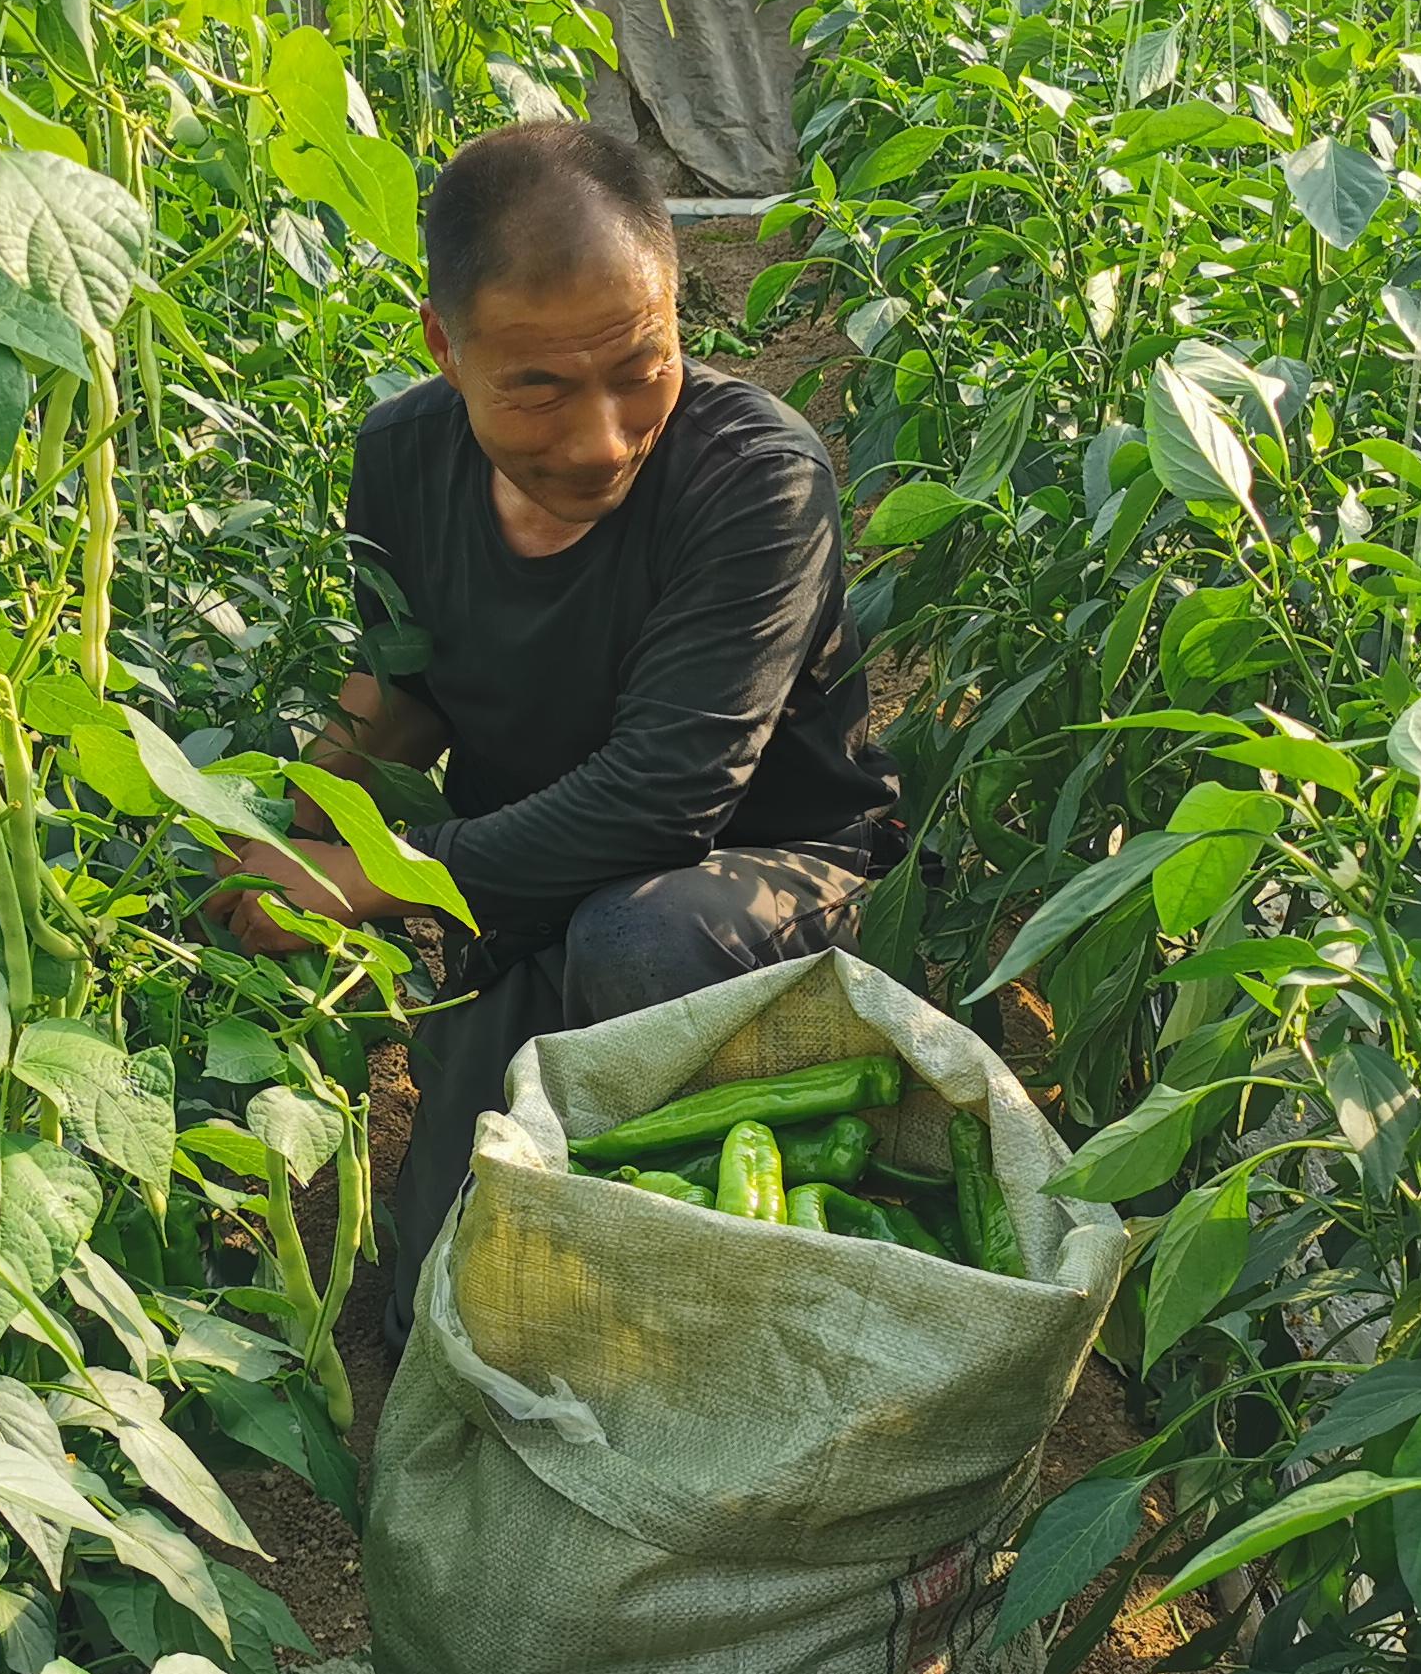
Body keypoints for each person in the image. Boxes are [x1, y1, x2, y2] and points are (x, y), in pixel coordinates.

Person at [200, 121, 902, 1345]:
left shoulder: (757, 480)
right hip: (525, 891)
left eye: (641, 367)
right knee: (440, 1305)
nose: (600, 438)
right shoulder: (403, 460)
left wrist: (369, 880)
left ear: (678, 309)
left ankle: (707, 1288)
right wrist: (289, 829)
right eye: (535, 387)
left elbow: (663, 798)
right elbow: (402, 689)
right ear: (445, 347)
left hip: (761, 883)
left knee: (641, 940)